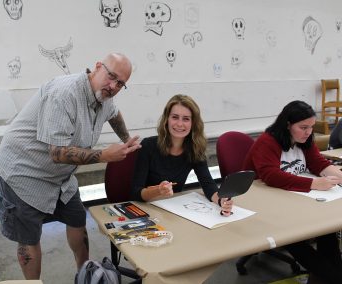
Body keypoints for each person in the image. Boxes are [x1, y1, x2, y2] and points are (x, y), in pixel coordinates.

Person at [0, 53, 141, 280]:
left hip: (60, 177)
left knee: (77, 219)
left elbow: (114, 113)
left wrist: (126, 138)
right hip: (22, 172)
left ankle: (85, 276)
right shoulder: (65, 93)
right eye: (111, 77)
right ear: (97, 67)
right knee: (29, 238)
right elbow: (58, 153)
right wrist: (103, 155)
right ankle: (34, 283)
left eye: (121, 83)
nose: (113, 86)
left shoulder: (105, 95)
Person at [243, 100, 342, 284]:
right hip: (267, 204)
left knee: (328, 228)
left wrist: (339, 175)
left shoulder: (305, 139)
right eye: (303, 127)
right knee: (295, 237)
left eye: (311, 127)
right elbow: (271, 176)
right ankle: (334, 277)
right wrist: (314, 183)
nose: (309, 132)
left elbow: (317, 163)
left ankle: (329, 277)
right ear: (288, 124)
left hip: (295, 199)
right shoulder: (268, 141)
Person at [131, 94, 233, 215]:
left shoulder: (195, 148)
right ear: (166, 119)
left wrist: (221, 201)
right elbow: (135, 193)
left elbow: (208, 184)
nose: (180, 124)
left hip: (174, 211)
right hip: (147, 210)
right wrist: (158, 190)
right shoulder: (149, 145)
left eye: (186, 119)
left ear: (193, 123)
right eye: (175, 117)